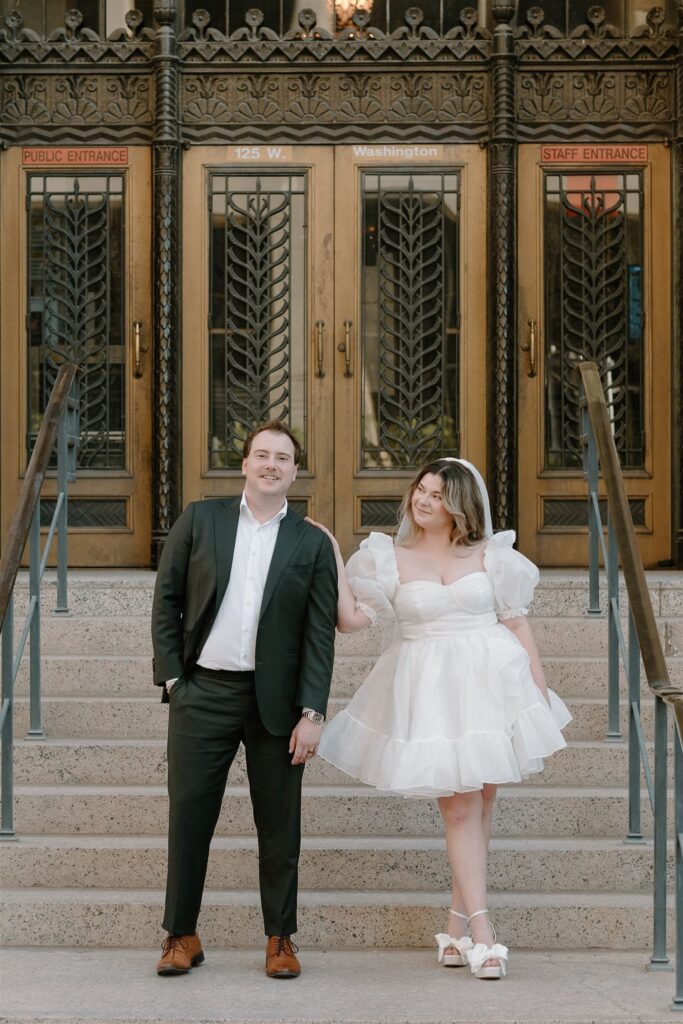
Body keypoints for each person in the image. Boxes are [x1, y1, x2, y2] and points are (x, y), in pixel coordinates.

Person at [310, 458, 570, 980]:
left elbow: (517, 625)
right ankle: (483, 935)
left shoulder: (492, 556)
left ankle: (454, 927)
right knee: (460, 809)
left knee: (481, 803)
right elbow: (352, 621)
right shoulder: (388, 558)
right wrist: (334, 556)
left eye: (437, 495)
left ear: (459, 505)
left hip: (491, 683)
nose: (424, 501)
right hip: (430, 689)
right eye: (421, 490)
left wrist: (538, 693)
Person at [151, 421, 338, 979]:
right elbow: (166, 600)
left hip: (276, 704)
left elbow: (320, 634)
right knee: (189, 817)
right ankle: (181, 934)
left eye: (282, 458)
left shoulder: (310, 541)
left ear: (295, 472)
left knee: (279, 826)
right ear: (245, 464)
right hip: (203, 692)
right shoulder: (200, 519)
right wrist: (174, 681)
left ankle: (280, 938)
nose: (271, 465)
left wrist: (312, 712)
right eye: (262, 454)